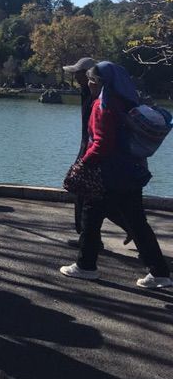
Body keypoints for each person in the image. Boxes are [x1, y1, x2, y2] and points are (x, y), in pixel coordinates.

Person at [60, 61, 171, 288]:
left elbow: (102, 143)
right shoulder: (128, 102)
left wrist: (83, 163)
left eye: (92, 80)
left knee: (91, 218)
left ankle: (86, 267)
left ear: (103, 83)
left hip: (107, 174)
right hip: (130, 172)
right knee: (136, 223)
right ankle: (159, 272)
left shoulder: (103, 106)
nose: (89, 84)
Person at [63, 56, 131, 248]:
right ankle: (93, 238)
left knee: (88, 197)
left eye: (78, 73)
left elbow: (99, 134)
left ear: (88, 75)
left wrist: (85, 159)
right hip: (88, 149)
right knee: (93, 198)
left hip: (93, 152)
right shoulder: (88, 93)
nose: (75, 77)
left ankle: (92, 240)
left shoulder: (99, 98)